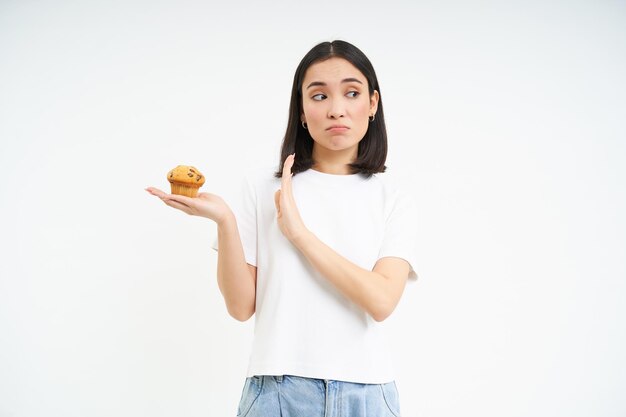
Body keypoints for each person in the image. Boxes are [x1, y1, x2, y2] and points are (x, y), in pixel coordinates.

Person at [146, 40, 418, 417]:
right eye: (319, 96)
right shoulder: (262, 186)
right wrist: (225, 221)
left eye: (351, 93)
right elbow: (241, 307)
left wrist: (299, 235)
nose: (336, 109)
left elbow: (381, 300)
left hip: (367, 394)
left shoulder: (391, 195)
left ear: (372, 103)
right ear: (302, 111)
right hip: (276, 392)